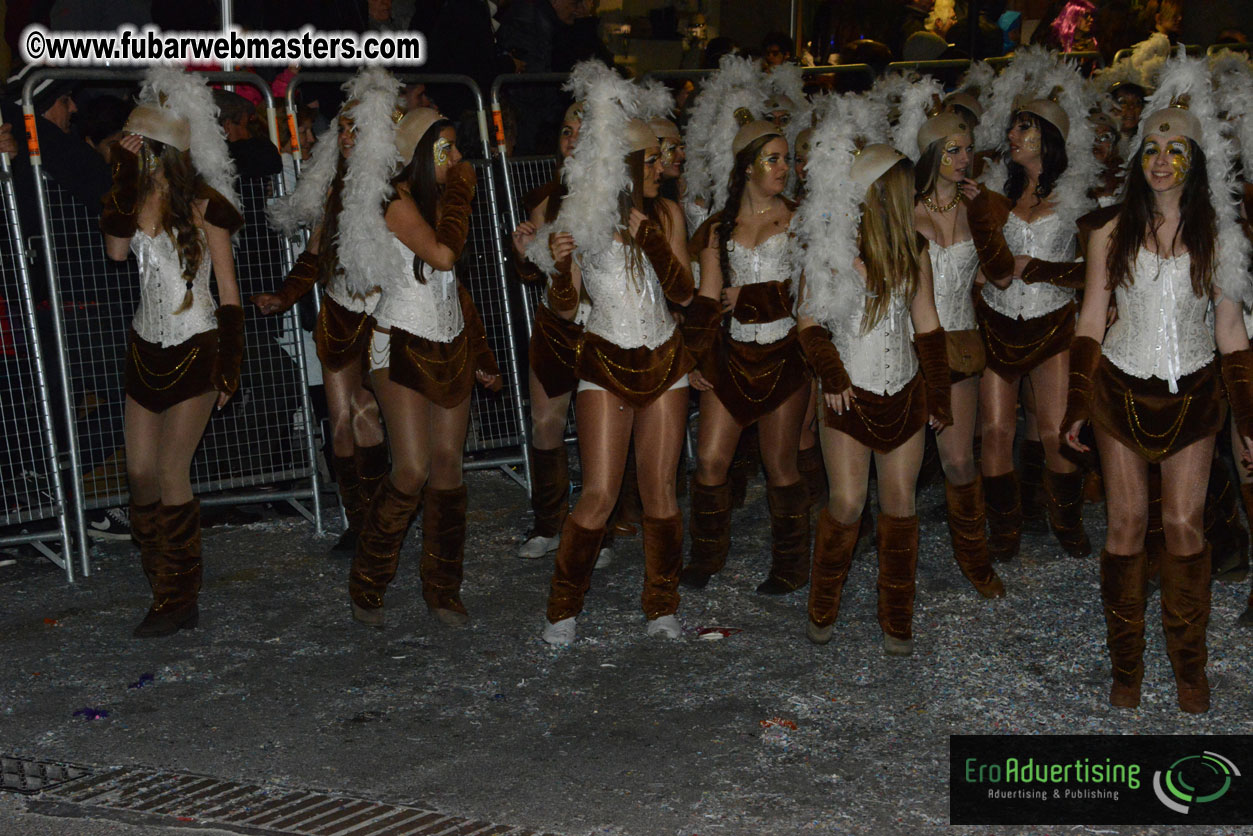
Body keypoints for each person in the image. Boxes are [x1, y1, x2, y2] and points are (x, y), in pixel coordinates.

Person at [1063, 76, 1253, 713]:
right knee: (1125, 523)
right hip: (1119, 389)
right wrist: (1076, 403)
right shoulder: (1109, 232)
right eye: (1151, 149)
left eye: (1176, 151)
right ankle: (1127, 667)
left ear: (1195, 161)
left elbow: (1231, 331)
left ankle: (1189, 668)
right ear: (1137, 159)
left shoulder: (1220, 237)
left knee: (1181, 524)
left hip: (1194, 394)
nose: (1162, 161)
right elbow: (1091, 320)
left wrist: (1249, 418)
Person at [538, 63, 693, 646]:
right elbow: (565, 307)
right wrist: (559, 268)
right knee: (600, 494)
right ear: (624, 164)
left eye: (659, 159)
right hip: (604, 359)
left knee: (660, 493)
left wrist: (649, 236)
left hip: (666, 359)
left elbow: (684, 293)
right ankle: (562, 609)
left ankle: (662, 608)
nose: (660, 168)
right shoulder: (581, 215)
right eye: (649, 160)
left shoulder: (668, 214)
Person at [344, 89, 502, 629]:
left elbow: (454, 287)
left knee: (449, 467)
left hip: (450, 341)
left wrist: (481, 353)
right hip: (400, 342)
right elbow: (442, 254)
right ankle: (368, 580)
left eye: (457, 149)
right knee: (411, 469)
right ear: (418, 153)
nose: (457, 159)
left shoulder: (438, 200)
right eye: (446, 150)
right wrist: (462, 190)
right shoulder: (394, 201)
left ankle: (443, 588)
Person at [100, 68, 245, 637]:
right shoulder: (131, 198)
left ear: (162, 151)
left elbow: (228, 292)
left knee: (169, 469)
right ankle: (160, 573)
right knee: (139, 473)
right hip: (145, 347)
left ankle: (178, 596)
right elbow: (116, 253)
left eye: (139, 145)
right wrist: (122, 175)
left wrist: (230, 365)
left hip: (198, 345)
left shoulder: (207, 206)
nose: (131, 150)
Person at [798, 140, 951, 655]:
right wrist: (831, 374)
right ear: (880, 195)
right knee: (846, 502)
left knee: (901, 504)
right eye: (906, 191)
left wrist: (940, 396)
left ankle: (897, 619)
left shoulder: (915, 250)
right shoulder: (829, 250)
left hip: (903, 393)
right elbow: (808, 323)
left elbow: (928, 326)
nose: (914, 199)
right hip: (847, 397)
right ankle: (822, 605)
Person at [967, 51, 1097, 562]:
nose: (1012, 135)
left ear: (1049, 137)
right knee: (996, 430)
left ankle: (1065, 521)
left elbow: (1093, 273)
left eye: (1024, 127)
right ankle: (1004, 528)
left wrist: (1033, 267)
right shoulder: (994, 195)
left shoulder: (1076, 199)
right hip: (997, 323)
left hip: (1052, 325)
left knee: (1054, 431)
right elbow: (977, 261)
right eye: (1013, 127)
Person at [681, 121, 811, 594]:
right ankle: (705, 556)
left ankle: (791, 565)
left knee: (781, 465)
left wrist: (754, 297)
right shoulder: (720, 227)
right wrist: (695, 358)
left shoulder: (801, 221)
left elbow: (810, 295)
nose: (784, 168)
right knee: (710, 461)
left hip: (785, 356)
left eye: (786, 158)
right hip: (732, 356)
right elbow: (708, 297)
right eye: (772, 159)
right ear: (747, 166)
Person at [258, 85, 388, 557]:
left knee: (368, 413)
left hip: (384, 314)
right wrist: (284, 295)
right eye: (343, 128)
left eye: (358, 128)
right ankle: (359, 522)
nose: (348, 136)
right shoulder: (335, 187)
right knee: (340, 422)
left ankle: (380, 517)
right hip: (338, 314)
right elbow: (314, 253)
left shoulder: (392, 186)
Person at [912, 109, 1005, 599]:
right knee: (901, 468)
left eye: (969, 149)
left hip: (962, 347)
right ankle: (894, 563)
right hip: (910, 347)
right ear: (932, 154)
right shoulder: (905, 209)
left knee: (959, 462)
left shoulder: (977, 207)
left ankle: (975, 560)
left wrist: (985, 217)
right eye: (953, 150)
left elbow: (1001, 275)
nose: (965, 158)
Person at [510, 103, 587, 561]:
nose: (572, 140)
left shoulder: (620, 196)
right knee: (545, 423)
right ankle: (548, 524)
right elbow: (532, 273)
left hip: (603, 325)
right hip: (555, 324)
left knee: (599, 432)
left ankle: (597, 529)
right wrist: (523, 253)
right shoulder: (545, 200)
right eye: (565, 131)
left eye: (581, 131)